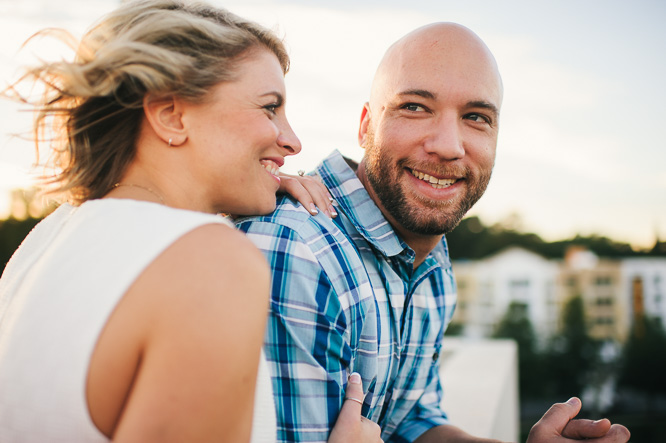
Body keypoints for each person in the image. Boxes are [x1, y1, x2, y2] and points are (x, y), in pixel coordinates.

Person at [0, 1, 380, 442]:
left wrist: (250, 178)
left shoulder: (49, 237)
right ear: (171, 115)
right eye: (269, 108)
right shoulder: (210, 263)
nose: (293, 141)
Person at [237, 23, 631, 443]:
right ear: (366, 126)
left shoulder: (432, 260)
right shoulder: (296, 249)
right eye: (415, 107)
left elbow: (409, 422)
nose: (448, 145)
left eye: (476, 117)